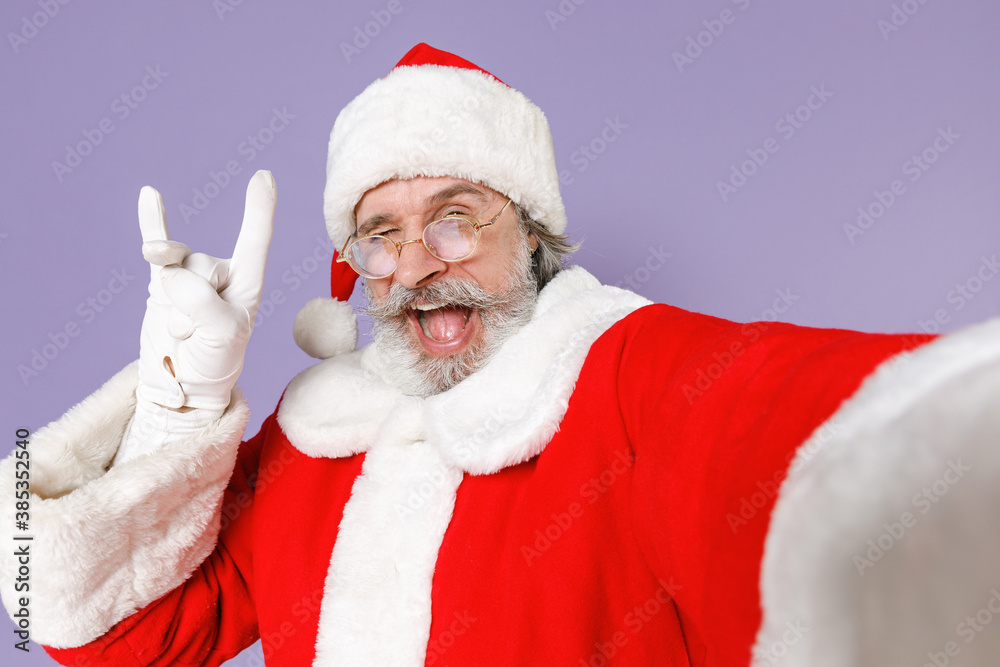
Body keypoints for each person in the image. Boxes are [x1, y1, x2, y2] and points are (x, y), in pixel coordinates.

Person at [4, 43, 1000, 667]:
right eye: (379, 233)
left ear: (531, 233)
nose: (417, 265)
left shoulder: (628, 370)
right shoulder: (311, 441)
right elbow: (115, 633)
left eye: (454, 217)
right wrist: (180, 403)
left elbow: (807, 419)